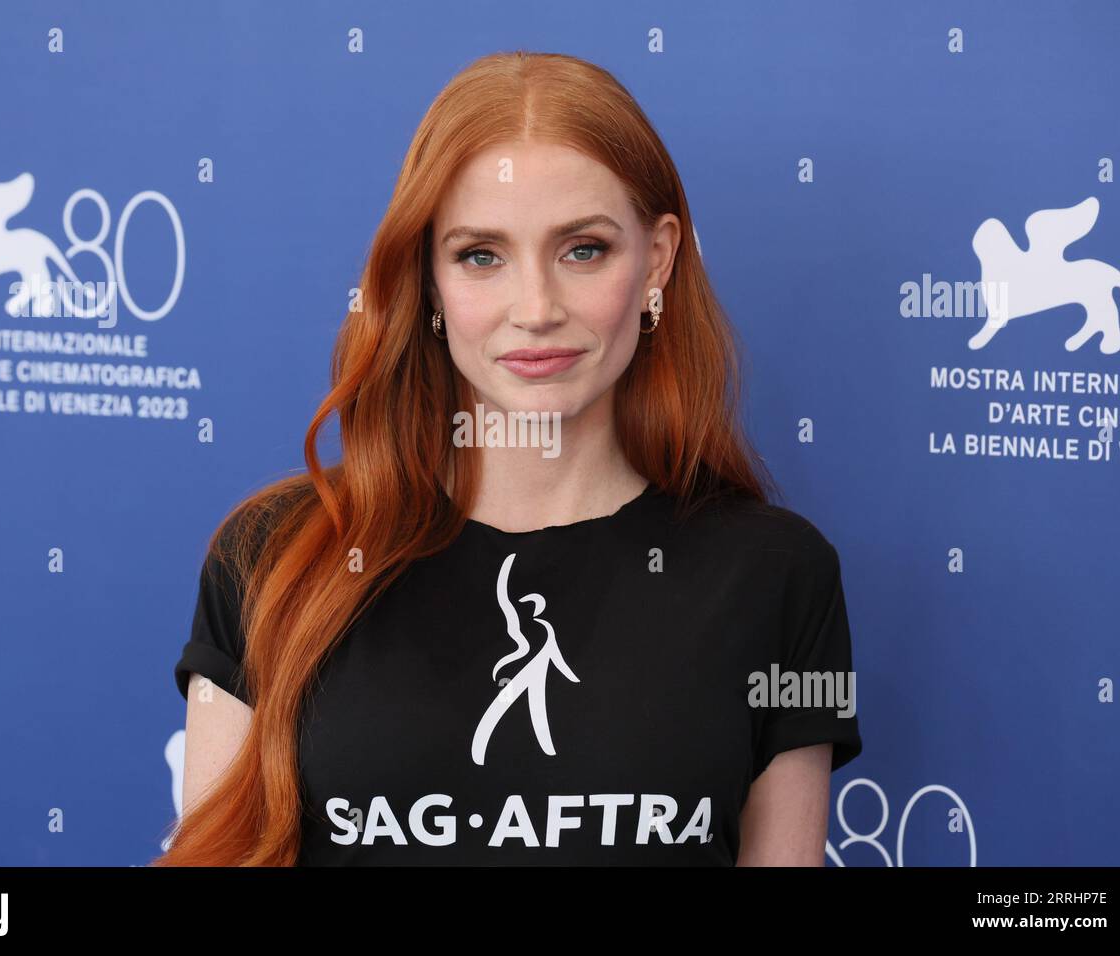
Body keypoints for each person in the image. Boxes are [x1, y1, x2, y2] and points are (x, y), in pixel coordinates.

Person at [156, 50, 862, 867]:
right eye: (481, 256)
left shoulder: (778, 574)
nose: (536, 309)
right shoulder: (270, 556)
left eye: (584, 249)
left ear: (659, 260)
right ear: (427, 278)